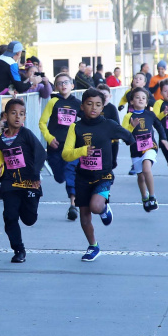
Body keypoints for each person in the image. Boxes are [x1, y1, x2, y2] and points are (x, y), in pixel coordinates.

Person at [62, 89, 134, 261]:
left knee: (95, 206)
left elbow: (129, 137)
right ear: (82, 106)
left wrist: (131, 133)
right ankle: (93, 246)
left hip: (103, 176)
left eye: (98, 105)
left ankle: (104, 208)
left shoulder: (109, 125)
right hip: (83, 177)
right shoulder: (75, 127)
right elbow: (66, 154)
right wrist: (83, 151)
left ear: (103, 107)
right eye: (89, 104)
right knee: (84, 215)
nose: (93, 107)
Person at [0, 98, 46, 264]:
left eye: (21, 114)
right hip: (10, 182)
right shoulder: (0, 139)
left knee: (29, 219)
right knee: (10, 216)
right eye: (13, 113)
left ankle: (26, 204)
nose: (18, 117)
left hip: (30, 183)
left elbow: (41, 153)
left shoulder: (26, 134)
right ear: (6, 116)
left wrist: (35, 175)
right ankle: (18, 249)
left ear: (25, 118)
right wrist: (0, 167)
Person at [39, 73, 82, 220]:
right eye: (59, 83)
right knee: (59, 177)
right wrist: (49, 138)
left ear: (72, 85)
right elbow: (42, 123)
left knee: (71, 172)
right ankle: (71, 195)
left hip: (71, 147)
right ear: (56, 87)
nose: (63, 85)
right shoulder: (53, 102)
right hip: (55, 147)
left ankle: (73, 205)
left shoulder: (77, 103)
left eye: (66, 82)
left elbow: (88, 121)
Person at [122, 87, 168, 212]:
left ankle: (152, 197)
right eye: (137, 97)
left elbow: (159, 126)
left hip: (150, 146)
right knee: (141, 176)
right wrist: (131, 127)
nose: (141, 100)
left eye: (143, 98)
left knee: (146, 169)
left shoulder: (150, 114)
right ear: (131, 101)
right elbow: (124, 135)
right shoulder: (128, 116)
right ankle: (144, 197)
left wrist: (163, 139)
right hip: (135, 149)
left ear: (147, 102)